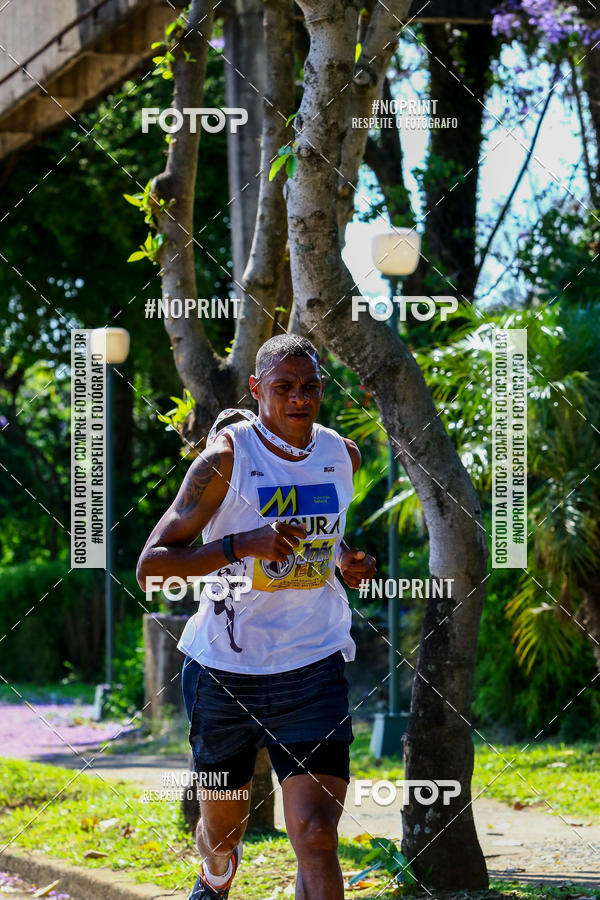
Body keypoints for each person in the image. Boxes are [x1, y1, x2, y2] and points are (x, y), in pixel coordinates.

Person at [137, 334, 376, 899]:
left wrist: (347, 560)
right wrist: (241, 544)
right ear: (257, 389)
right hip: (225, 670)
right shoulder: (224, 459)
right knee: (223, 831)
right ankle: (215, 876)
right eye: (284, 387)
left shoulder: (343, 454)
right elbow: (152, 566)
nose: (300, 398)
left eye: (311, 386)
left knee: (317, 836)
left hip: (311, 665)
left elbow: (325, 528)